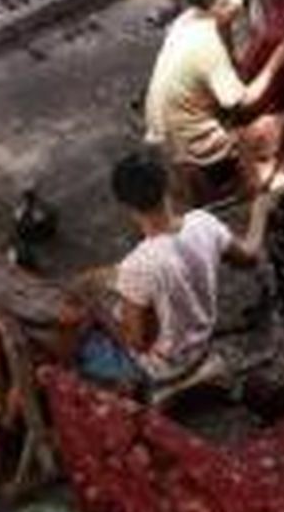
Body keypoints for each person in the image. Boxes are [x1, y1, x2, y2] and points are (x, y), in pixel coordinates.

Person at [79, 151, 270, 397]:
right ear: (168, 184)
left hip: (163, 367)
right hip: (201, 344)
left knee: (83, 337)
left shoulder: (138, 265)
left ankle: (131, 385)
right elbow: (249, 257)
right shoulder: (204, 223)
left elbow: (137, 342)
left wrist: (100, 313)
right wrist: (260, 212)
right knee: (111, 281)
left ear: (125, 206)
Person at [143, 0, 284, 198]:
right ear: (220, 5)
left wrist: (228, 27)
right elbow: (242, 102)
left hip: (162, 136)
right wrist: (281, 56)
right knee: (283, 124)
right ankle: (274, 183)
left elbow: (226, 51)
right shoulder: (206, 45)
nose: (241, 3)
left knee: (237, 96)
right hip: (191, 148)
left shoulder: (188, 19)